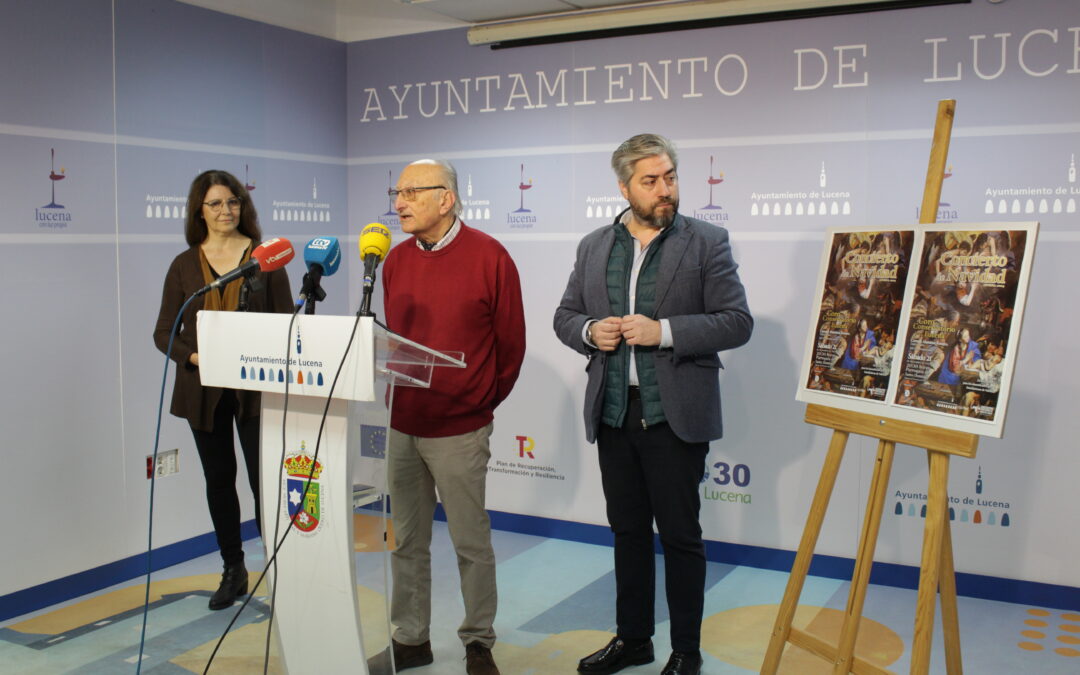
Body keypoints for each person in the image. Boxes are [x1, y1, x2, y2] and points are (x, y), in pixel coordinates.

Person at [553, 134, 753, 675]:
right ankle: (633, 640)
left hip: (675, 416)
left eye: (670, 177)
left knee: (683, 539)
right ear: (624, 187)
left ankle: (686, 651)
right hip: (614, 412)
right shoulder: (594, 246)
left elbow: (736, 322)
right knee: (628, 534)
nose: (665, 190)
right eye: (651, 181)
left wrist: (662, 331)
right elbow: (565, 316)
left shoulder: (707, 241)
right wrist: (593, 330)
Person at [367, 159, 526, 675]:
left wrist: (478, 402)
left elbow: (511, 347)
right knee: (406, 539)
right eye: (397, 192)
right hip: (403, 423)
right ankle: (410, 639)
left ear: (446, 198)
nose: (399, 203)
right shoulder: (391, 262)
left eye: (411, 192)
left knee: (469, 541)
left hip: (460, 428)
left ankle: (478, 641)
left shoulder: (490, 257)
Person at [153, 170, 293, 610]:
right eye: (215, 204)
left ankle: (280, 569)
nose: (225, 211)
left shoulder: (266, 258)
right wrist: (196, 358)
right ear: (200, 210)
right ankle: (233, 569)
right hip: (204, 390)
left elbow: (287, 322)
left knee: (262, 482)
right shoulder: (183, 264)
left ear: (243, 206)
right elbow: (164, 333)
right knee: (219, 482)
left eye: (232, 202)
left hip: (256, 392)